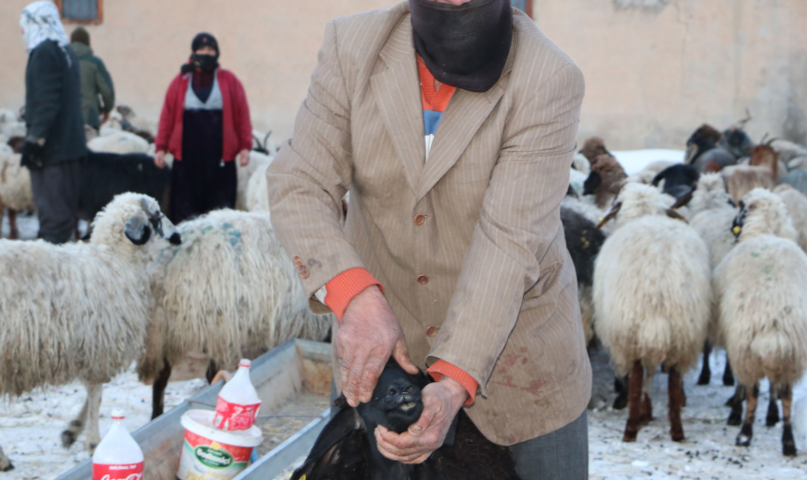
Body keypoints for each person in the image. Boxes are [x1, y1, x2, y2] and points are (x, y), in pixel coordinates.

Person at [267, 0, 590, 478]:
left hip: (518, 370)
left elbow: (510, 242)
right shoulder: (352, 47)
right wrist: (353, 295)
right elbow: (301, 181)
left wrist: (456, 376)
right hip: (382, 364)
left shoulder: (547, 77)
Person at [154, 33, 252, 225]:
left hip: (220, 163)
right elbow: (167, 115)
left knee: (220, 217)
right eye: (202, 49)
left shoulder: (229, 80)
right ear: (193, 52)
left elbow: (242, 114)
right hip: (187, 162)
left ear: (217, 53)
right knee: (185, 216)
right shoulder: (180, 81)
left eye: (211, 50)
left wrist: (245, 146)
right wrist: (160, 147)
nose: (206, 53)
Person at [20, 1, 86, 244]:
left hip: (52, 150)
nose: (22, 31)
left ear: (37, 23)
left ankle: (53, 270)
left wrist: (35, 141)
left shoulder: (44, 51)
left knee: (53, 216)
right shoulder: (66, 50)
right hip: (70, 147)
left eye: (25, 24)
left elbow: (48, 100)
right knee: (64, 214)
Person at [69, 27, 115, 132]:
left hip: (66, 118)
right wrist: (107, 109)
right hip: (89, 116)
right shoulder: (95, 63)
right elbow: (107, 91)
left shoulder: (61, 62)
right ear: (88, 43)